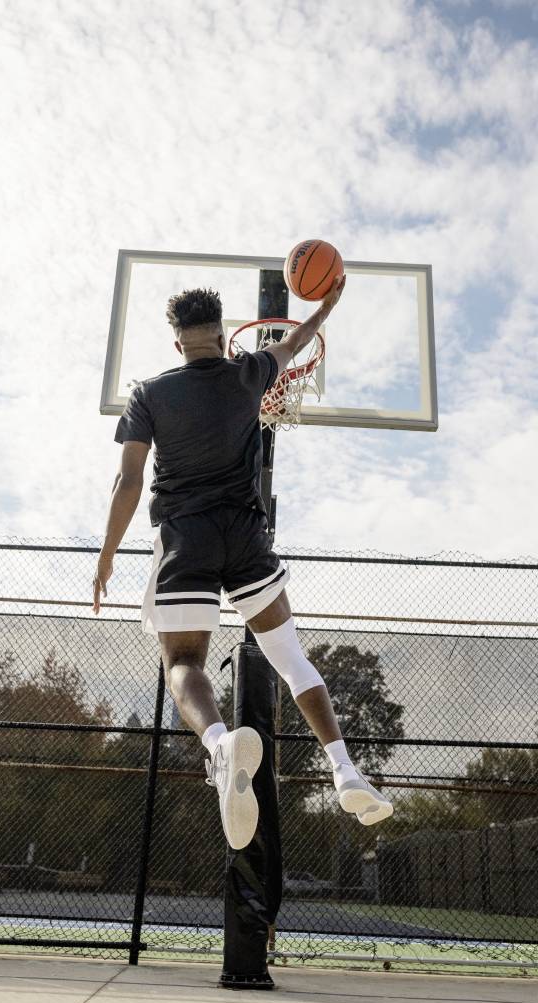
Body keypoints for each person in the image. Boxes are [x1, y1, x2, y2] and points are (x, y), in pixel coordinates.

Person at [92, 276, 392, 849]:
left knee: (183, 663)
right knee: (290, 658)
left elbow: (128, 481)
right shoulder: (250, 373)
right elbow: (297, 342)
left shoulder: (149, 394)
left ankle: (220, 744)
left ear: (177, 342)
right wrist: (325, 306)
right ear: (224, 334)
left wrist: (106, 555)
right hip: (247, 535)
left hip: (187, 538)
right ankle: (344, 768)